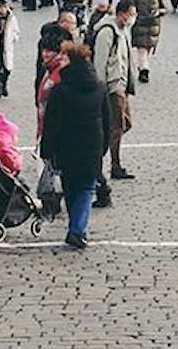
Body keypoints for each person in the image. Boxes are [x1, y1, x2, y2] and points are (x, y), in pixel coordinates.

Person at [41, 41, 111, 249]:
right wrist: (104, 145)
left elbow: (52, 124)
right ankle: (77, 229)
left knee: (71, 186)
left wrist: (47, 149)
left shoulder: (60, 90)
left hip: (66, 147)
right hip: (93, 146)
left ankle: (76, 229)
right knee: (86, 188)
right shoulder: (99, 87)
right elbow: (108, 121)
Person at [93, 0, 137, 182]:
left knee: (125, 123)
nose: (133, 18)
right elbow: (100, 63)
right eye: (131, 14)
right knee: (116, 126)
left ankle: (107, 156)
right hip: (112, 85)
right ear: (121, 14)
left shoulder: (124, 30)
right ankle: (114, 165)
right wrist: (100, 89)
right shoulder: (107, 32)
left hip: (123, 83)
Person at [129, 0, 164, 82]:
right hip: (140, 26)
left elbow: (163, 7)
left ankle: (142, 66)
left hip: (153, 27)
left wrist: (159, 12)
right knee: (142, 50)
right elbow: (131, 7)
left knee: (147, 50)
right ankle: (144, 70)